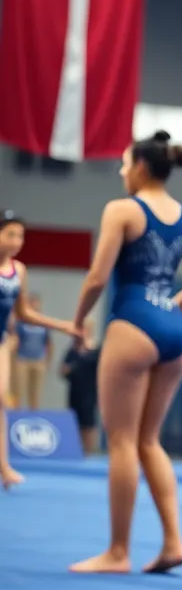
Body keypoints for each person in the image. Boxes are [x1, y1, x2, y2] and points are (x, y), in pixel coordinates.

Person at [69, 131, 182, 574]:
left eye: (122, 164)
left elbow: (98, 278)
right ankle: (173, 541)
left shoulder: (122, 210)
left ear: (139, 167)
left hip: (133, 322)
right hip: (175, 331)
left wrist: (78, 321)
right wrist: (169, 306)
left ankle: (118, 552)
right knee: (148, 440)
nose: (119, 172)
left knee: (120, 442)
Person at [0, 210, 79, 490]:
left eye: (20, 235)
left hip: (1, 342)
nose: (16, 241)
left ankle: (5, 467)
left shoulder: (18, 270)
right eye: (10, 234)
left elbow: (23, 313)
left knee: (1, 399)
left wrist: (61, 325)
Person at [62, 319, 102, 454]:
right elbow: (63, 370)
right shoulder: (73, 350)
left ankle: (89, 450)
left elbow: (100, 369)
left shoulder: (96, 350)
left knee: (88, 421)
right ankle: (76, 449)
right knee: (74, 419)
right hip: (75, 389)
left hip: (90, 390)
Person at [12, 294, 54, 409]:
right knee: (19, 392)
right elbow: (15, 341)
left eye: (36, 304)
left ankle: (34, 415)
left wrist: (48, 360)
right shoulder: (21, 323)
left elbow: (49, 343)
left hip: (39, 360)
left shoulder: (43, 323)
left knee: (35, 393)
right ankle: (17, 415)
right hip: (23, 360)